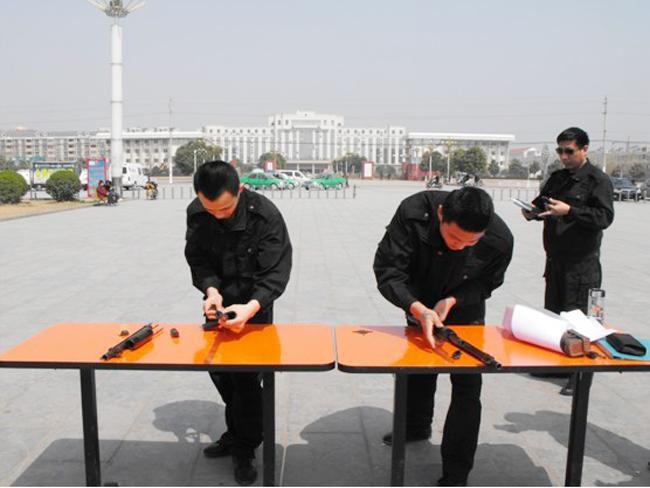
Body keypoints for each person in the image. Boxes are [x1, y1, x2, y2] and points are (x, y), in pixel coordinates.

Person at [374, 187, 513, 486]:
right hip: (420, 298)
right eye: (453, 238)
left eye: (471, 242)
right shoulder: (413, 213)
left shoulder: (500, 240)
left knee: (467, 386)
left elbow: (487, 283)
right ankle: (415, 426)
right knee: (419, 366)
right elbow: (388, 270)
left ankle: (456, 472)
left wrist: (452, 301)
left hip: (464, 304)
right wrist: (417, 308)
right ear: (440, 215)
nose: (460, 247)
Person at [184, 160, 292, 485]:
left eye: (226, 208)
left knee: (245, 379)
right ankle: (238, 432)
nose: (218, 215)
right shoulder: (197, 212)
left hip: (254, 307)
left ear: (240, 190)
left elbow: (275, 273)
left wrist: (250, 308)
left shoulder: (265, 216)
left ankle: (245, 446)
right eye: (211, 209)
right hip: (217, 305)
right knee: (219, 372)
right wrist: (211, 291)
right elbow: (197, 258)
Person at [522, 127, 614, 395]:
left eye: (569, 151)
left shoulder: (598, 180)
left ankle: (579, 376)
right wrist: (532, 211)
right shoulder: (558, 178)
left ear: (584, 149)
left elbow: (604, 217)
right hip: (556, 260)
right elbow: (543, 203)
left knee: (581, 320)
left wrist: (570, 210)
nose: (563, 156)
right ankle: (559, 365)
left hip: (582, 265)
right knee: (554, 315)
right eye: (560, 151)